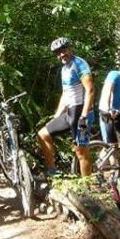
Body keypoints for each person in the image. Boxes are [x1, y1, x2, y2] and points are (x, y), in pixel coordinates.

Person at [37, 37, 95, 176]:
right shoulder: (64, 69)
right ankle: (52, 172)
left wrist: (84, 116)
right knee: (43, 134)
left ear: (70, 48)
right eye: (57, 52)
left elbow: (90, 90)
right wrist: (56, 116)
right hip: (70, 113)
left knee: (81, 152)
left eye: (63, 50)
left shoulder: (79, 64)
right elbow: (65, 94)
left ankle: (87, 188)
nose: (61, 54)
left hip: (81, 111)